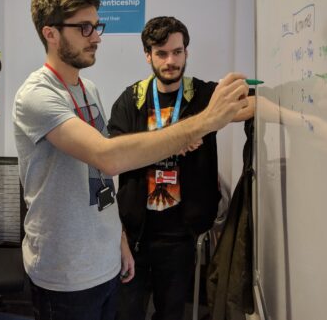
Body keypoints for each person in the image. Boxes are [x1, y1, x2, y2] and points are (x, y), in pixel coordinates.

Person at [13, 0, 250, 320]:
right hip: (66, 271)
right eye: (85, 28)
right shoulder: (37, 96)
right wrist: (203, 122)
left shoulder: (87, 88)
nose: (96, 37)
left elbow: (102, 180)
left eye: (97, 27)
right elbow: (109, 158)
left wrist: (118, 238)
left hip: (105, 257)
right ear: (50, 34)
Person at [108, 16, 255, 320]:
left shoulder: (204, 96)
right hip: (135, 232)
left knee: (172, 313)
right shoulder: (129, 100)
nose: (171, 60)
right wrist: (174, 140)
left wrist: (208, 123)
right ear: (148, 56)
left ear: (187, 52)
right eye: (161, 53)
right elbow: (118, 155)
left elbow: (253, 104)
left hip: (181, 234)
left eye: (177, 52)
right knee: (126, 313)